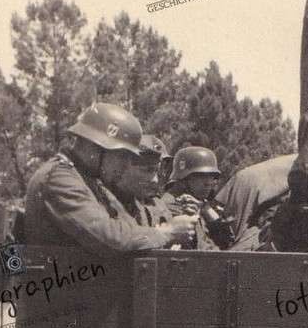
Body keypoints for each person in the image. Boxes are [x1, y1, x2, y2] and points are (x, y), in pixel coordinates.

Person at [24, 102, 194, 254]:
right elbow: (110, 237)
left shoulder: (89, 180)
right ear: (96, 148)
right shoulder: (59, 178)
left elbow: (128, 227)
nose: (126, 165)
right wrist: (167, 232)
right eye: (122, 155)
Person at [157, 146, 235, 250]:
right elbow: (199, 248)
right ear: (184, 178)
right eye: (201, 175)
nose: (208, 183)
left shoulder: (197, 203)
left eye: (211, 176)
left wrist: (207, 210)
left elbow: (226, 241)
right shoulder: (174, 206)